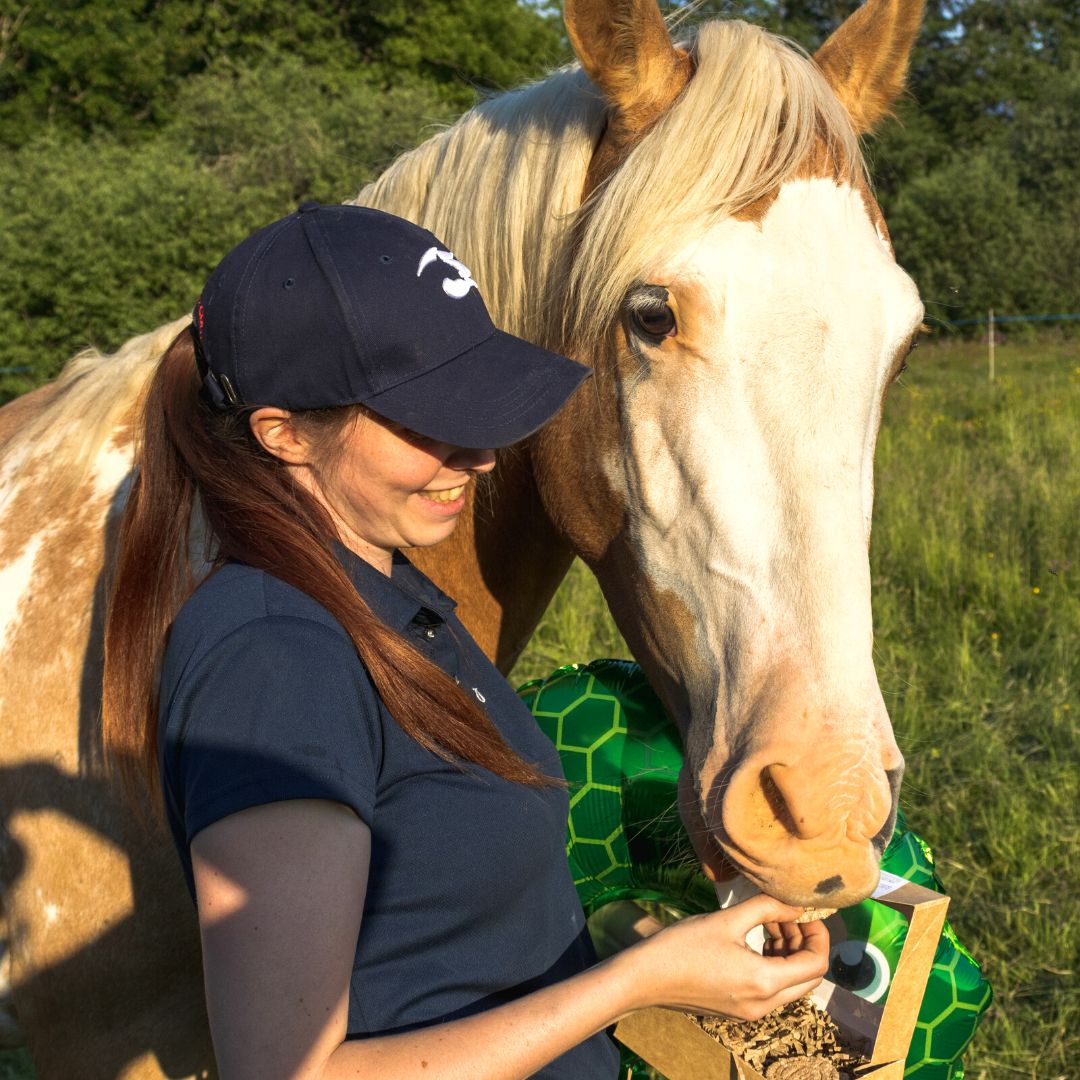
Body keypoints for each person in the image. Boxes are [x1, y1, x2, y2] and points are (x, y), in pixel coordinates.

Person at [102, 202, 829, 1080]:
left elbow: (444, 944)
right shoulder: (276, 661)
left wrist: (653, 943)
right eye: (425, 422)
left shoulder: (385, 597)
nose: (479, 456)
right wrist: (636, 982)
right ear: (283, 433)